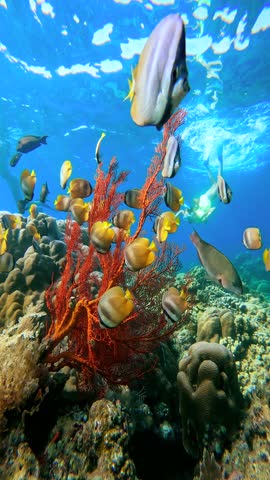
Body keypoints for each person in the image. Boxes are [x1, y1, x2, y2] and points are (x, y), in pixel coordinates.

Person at [180, 141, 224, 224]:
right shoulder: (196, 218)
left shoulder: (198, 219)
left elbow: (211, 210)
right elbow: (182, 211)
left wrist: (218, 203)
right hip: (205, 200)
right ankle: (206, 165)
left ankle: (220, 160)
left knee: (219, 182)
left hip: (206, 199)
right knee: (215, 184)